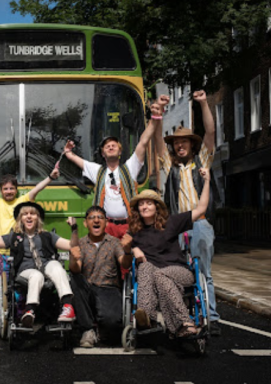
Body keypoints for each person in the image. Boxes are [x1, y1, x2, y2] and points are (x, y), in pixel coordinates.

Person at [153, 90, 221, 336]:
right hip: (175, 225)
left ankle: (211, 317)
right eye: (176, 143)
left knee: (204, 272)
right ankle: (182, 317)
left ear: (193, 145)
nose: (179, 145)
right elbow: (158, 142)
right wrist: (158, 113)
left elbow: (211, 134)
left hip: (200, 223)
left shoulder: (202, 162)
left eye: (184, 142)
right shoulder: (169, 166)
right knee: (176, 272)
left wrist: (203, 103)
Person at [121, 167, 210, 338]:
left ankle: (184, 322)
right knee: (145, 268)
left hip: (179, 271)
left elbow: (201, 209)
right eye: (141, 203)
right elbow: (124, 250)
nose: (144, 206)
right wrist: (132, 248)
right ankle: (147, 317)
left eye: (148, 203)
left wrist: (207, 181)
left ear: (156, 206)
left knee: (160, 276)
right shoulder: (134, 230)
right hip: (155, 276)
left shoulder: (172, 222)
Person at [0, 163, 60, 329]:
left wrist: (51, 178)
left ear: (16, 190)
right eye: (5, 189)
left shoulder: (23, 202)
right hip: (0, 252)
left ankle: (20, 316)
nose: (9, 191)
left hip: (18, 252)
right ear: (1, 191)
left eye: (12, 188)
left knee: (18, 287)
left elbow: (36, 189)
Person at [0, 201, 78, 327]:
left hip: (47, 266)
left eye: (33, 213)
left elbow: (72, 246)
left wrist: (74, 229)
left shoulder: (48, 236)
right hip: (26, 271)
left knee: (56, 266)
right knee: (36, 275)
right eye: (25, 214)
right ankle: (30, 309)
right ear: (20, 219)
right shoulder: (14, 237)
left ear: (38, 218)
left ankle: (67, 306)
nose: (29, 216)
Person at [63, 109, 161, 239]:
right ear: (103, 154)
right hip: (106, 226)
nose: (110, 147)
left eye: (114, 145)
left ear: (120, 152)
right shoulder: (98, 171)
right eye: (107, 146)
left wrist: (155, 118)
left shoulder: (130, 168)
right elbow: (75, 159)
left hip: (129, 225)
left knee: (130, 256)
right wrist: (68, 152)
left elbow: (143, 142)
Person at [69, 206, 133, 348]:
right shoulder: (81, 243)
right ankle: (88, 330)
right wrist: (73, 259)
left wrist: (128, 252)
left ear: (106, 223)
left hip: (108, 289)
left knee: (112, 323)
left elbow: (125, 263)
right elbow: (76, 269)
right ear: (86, 223)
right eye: (92, 218)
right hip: (87, 289)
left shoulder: (114, 242)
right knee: (74, 278)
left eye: (100, 218)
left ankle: (101, 327)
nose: (96, 220)